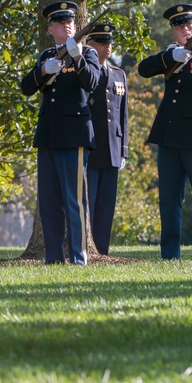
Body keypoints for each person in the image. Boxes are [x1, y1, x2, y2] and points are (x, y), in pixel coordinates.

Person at [138, 4, 192, 260]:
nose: (186, 30)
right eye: (180, 27)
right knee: (169, 200)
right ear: (173, 32)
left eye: (189, 25)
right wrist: (170, 57)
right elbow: (144, 69)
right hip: (169, 134)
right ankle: (169, 253)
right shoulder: (171, 54)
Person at [20, 1, 100, 264]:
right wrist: (43, 70)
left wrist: (77, 58)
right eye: (61, 22)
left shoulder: (87, 54)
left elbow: (92, 83)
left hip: (74, 132)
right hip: (48, 134)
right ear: (50, 28)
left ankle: (78, 256)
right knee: (50, 201)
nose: (67, 25)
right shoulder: (46, 56)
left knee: (74, 200)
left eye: (70, 22)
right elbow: (26, 87)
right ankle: (53, 257)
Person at [85, 22, 129, 255]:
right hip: (92, 146)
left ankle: (101, 249)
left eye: (109, 42)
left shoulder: (118, 74)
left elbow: (123, 116)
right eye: (101, 42)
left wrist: (124, 150)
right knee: (89, 202)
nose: (107, 47)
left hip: (112, 148)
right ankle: (86, 246)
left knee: (105, 205)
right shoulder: (87, 73)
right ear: (89, 44)